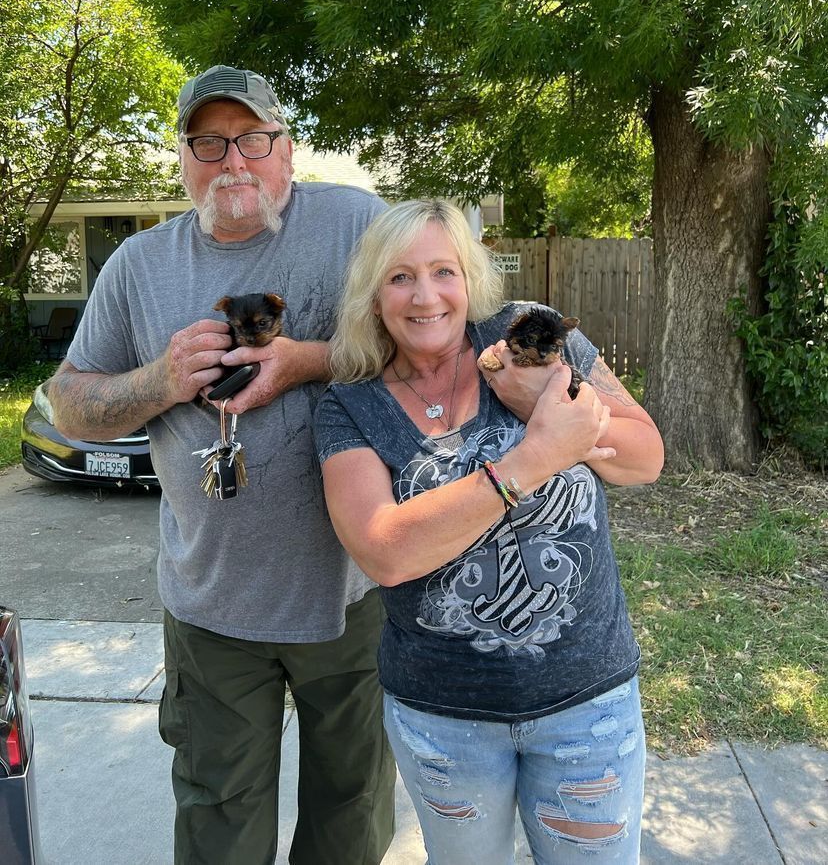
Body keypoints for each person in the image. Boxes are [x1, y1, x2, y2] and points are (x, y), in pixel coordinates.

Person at [48, 65, 396, 865]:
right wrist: (160, 379)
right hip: (213, 605)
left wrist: (305, 359)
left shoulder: (359, 226)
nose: (233, 162)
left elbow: (430, 342)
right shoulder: (138, 266)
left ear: (287, 148)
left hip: (353, 590)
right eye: (208, 142)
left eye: (252, 139)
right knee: (218, 824)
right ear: (181, 156)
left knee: (352, 814)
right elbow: (69, 401)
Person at [314, 199, 664, 865]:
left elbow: (646, 455)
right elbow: (385, 550)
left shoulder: (530, 335)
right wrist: (530, 458)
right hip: (444, 720)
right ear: (373, 293)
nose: (425, 296)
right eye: (400, 277)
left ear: (470, 278)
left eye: (444, 270)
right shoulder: (349, 405)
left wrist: (544, 407)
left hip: (587, 704)